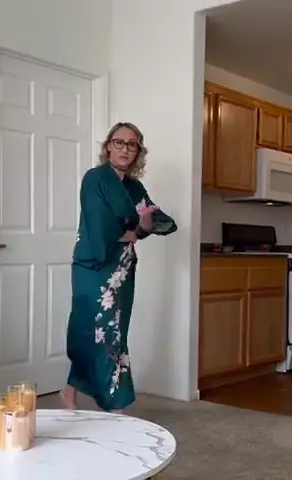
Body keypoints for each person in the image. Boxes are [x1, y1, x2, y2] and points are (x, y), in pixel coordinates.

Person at [61, 122, 178, 413]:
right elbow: (98, 222)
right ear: (108, 147)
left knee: (114, 331)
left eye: (132, 144)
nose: (125, 149)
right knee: (91, 330)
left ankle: (72, 392)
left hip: (122, 268)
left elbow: (157, 222)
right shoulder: (95, 178)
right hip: (93, 264)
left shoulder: (135, 187)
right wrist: (128, 230)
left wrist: (140, 228)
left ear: (138, 151)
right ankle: (114, 404)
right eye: (119, 142)